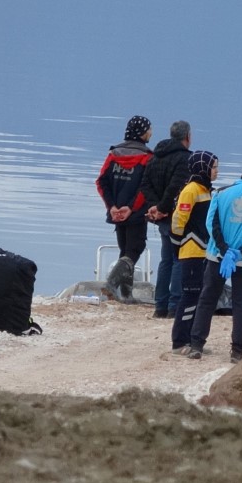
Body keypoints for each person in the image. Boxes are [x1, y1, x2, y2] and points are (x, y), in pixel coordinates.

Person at [189, 164, 242, 362]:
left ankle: (196, 345)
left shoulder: (220, 193)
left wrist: (224, 250)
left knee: (207, 299)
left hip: (217, 258)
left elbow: (211, 224)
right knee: (241, 304)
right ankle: (237, 350)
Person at [95, 115, 153, 301]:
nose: (151, 133)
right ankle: (111, 284)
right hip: (135, 213)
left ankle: (126, 294)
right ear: (142, 133)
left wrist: (112, 206)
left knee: (125, 251)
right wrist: (131, 208)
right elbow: (145, 188)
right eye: (149, 129)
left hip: (116, 212)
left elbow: (101, 182)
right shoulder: (147, 157)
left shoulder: (113, 154)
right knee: (135, 249)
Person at [141, 120, 191, 318]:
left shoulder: (155, 157)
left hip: (161, 217)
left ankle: (160, 305)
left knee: (166, 260)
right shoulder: (185, 158)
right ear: (187, 137)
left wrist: (155, 207)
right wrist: (162, 208)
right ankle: (174, 305)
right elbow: (176, 187)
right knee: (178, 259)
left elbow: (145, 184)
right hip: (176, 215)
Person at [168, 150, 217, 353]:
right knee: (189, 296)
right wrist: (177, 245)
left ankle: (191, 339)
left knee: (198, 297)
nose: (216, 171)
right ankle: (179, 342)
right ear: (203, 168)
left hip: (204, 251)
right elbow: (178, 221)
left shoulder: (207, 190)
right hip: (191, 251)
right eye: (213, 167)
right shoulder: (191, 190)